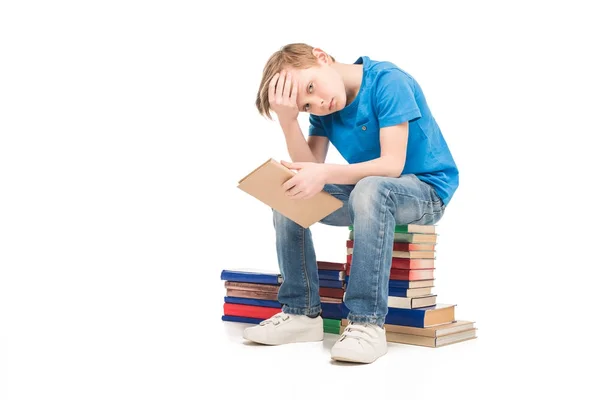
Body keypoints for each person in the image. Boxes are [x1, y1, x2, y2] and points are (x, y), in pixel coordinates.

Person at [243, 43, 459, 364]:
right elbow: (310, 169)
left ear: (322, 56)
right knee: (289, 186)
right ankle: (302, 313)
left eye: (312, 88)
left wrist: (323, 173)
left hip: (425, 191)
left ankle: (367, 321)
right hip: (366, 195)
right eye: (305, 106)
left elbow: (391, 166)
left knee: (371, 188)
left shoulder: (388, 82)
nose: (317, 104)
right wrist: (288, 121)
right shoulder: (325, 111)